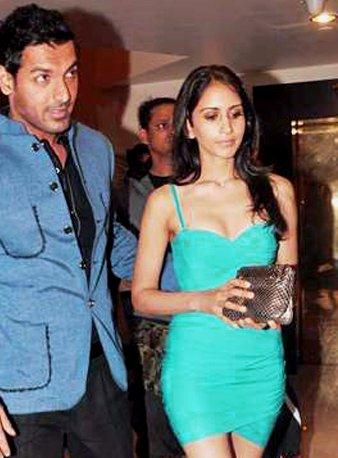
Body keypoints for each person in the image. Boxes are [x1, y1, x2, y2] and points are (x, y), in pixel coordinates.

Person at [0, 4, 136, 458]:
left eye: (71, 73)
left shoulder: (96, 148)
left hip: (102, 374)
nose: (64, 93)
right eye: (43, 77)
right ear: (6, 80)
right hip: (18, 392)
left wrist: (193, 278)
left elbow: (109, 240)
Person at [132, 65, 297, 458]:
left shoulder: (277, 191)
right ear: (189, 126)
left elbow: (287, 282)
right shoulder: (166, 201)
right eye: (211, 116)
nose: (227, 128)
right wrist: (204, 300)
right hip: (196, 367)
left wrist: (277, 308)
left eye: (235, 114)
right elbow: (142, 297)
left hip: (259, 364)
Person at [117, 97, 183, 457]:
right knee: (157, 418)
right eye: (162, 125)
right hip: (151, 320)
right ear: (144, 134)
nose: (172, 131)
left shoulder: (204, 183)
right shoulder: (127, 193)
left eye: (177, 122)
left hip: (204, 314)